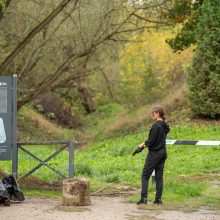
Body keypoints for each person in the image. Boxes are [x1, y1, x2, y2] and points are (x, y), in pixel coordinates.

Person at [132, 106, 170, 205]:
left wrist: (142, 145)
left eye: (152, 113)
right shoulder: (164, 125)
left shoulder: (156, 125)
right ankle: (158, 200)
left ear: (157, 113)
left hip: (155, 154)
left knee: (145, 175)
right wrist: (145, 143)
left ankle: (143, 199)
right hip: (163, 153)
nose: (151, 115)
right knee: (159, 177)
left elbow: (151, 141)